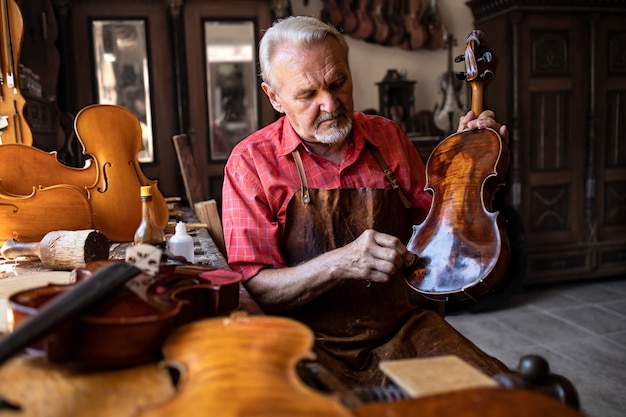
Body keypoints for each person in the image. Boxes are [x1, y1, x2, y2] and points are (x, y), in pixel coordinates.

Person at [222, 15, 509, 388]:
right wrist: (340, 263)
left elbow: (443, 236)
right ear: (274, 97)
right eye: (308, 95)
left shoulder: (387, 137)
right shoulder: (251, 164)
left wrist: (465, 168)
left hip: (404, 331)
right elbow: (254, 285)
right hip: (305, 344)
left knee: (504, 396)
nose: (330, 104)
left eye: (338, 82)